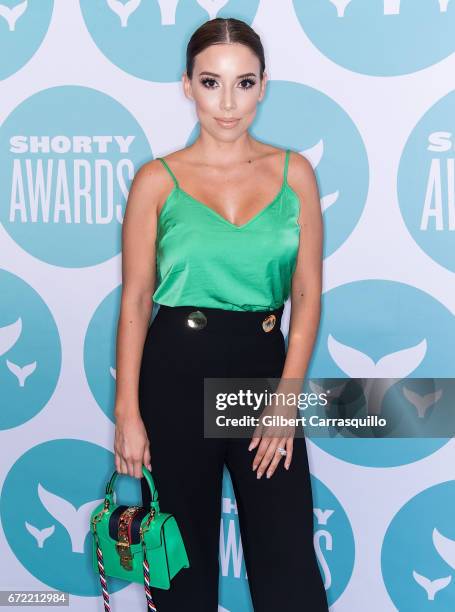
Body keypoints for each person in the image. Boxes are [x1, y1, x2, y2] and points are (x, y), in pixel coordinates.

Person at [113, 16, 328, 612]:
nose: (228, 104)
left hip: (262, 374)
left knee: (287, 562)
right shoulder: (156, 181)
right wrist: (128, 413)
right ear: (187, 86)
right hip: (175, 373)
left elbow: (307, 294)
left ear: (263, 86)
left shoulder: (295, 175)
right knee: (181, 568)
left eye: (243, 83)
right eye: (211, 83)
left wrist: (287, 398)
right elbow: (135, 298)